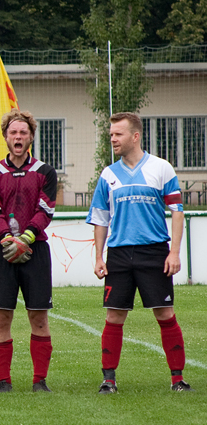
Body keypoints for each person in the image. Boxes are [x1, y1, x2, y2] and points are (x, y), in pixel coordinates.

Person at [88, 112, 193, 393]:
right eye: (111, 135)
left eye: (118, 134)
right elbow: (100, 218)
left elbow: (177, 212)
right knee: (114, 317)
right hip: (119, 255)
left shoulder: (161, 168)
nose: (113, 139)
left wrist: (174, 253)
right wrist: (99, 257)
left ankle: (178, 380)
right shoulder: (108, 175)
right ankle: (108, 380)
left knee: (165, 314)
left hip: (154, 253)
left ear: (135, 136)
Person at [0, 109, 58, 393]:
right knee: (1, 318)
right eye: (13, 132)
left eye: (23, 132)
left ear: (31, 137)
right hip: (2, 251)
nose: (18, 136)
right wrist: (8, 240)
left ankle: (40, 381)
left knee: (39, 317)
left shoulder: (45, 172)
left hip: (35, 250)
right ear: (5, 136)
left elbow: (45, 209)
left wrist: (25, 238)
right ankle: (4, 382)